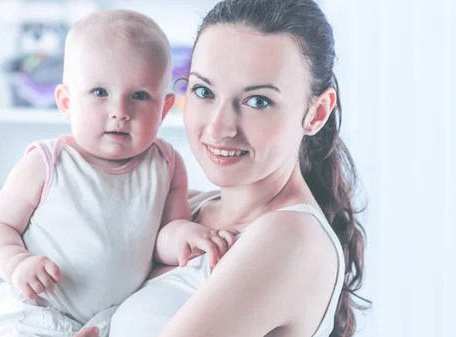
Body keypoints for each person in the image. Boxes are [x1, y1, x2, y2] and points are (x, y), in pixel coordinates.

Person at [76, 0, 370, 336]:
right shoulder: (187, 209)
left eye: (258, 101)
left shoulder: (291, 239)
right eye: (204, 91)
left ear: (316, 113)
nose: (219, 127)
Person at [0, 9, 238, 337]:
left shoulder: (166, 165)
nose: (120, 112)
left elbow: (163, 237)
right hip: (34, 309)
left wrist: (187, 236)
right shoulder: (48, 162)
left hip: (105, 321)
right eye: (100, 93)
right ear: (67, 101)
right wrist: (16, 263)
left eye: (140, 96)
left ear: (164, 108)